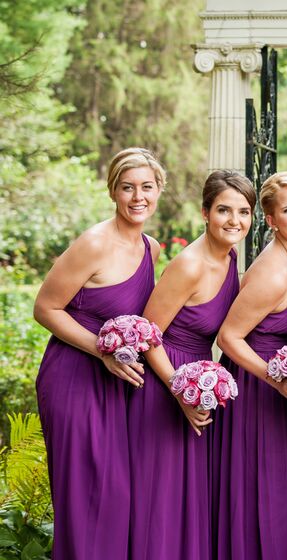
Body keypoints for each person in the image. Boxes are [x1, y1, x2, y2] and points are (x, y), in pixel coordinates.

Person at [33, 147, 164, 559]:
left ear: (159, 190)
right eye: (128, 187)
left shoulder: (151, 249)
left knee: (117, 496)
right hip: (74, 378)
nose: (138, 196)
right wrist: (101, 350)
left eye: (147, 186)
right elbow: (45, 308)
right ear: (113, 191)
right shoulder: (93, 243)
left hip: (117, 383)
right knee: (86, 497)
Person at [127, 171, 254, 558]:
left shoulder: (230, 257)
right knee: (163, 501)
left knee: (189, 500)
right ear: (205, 213)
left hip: (197, 383)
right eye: (224, 210)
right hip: (164, 383)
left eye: (244, 212)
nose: (234, 221)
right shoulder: (189, 265)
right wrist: (180, 390)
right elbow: (148, 335)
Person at [215, 171, 287, 559]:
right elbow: (228, 337)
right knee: (262, 498)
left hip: (276, 388)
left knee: (278, 498)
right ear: (271, 220)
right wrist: (275, 379)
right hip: (255, 393)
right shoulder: (273, 273)